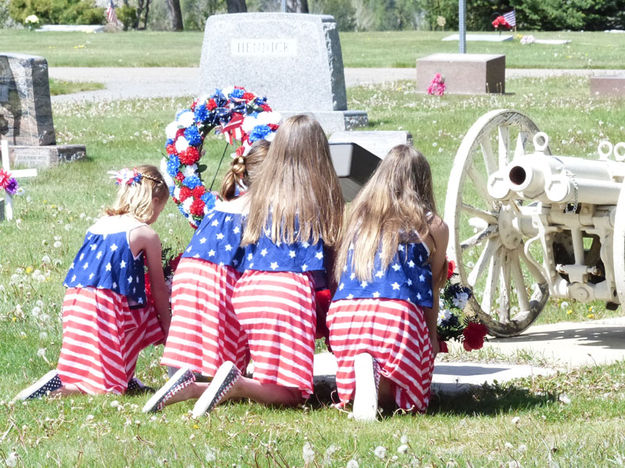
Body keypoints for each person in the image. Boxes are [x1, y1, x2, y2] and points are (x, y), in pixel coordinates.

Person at [189, 114, 344, 418]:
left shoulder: (258, 194)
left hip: (248, 289)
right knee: (293, 394)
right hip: (289, 293)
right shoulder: (322, 193)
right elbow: (332, 258)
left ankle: (197, 387)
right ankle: (239, 384)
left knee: (270, 373)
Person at [13, 165, 171, 401]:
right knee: (106, 389)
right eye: (161, 208)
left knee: (136, 320)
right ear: (155, 200)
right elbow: (158, 288)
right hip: (105, 305)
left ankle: (123, 376)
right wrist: (169, 328)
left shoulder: (99, 224)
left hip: (77, 298)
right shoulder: (145, 234)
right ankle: (59, 389)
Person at [142, 140, 270, 413]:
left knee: (191, 330)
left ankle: (182, 373)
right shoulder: (261, 213)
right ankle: (213, 380)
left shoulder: (221, 206)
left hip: (189, 271)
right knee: (230, 371)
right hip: (223, 276)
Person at [327, 144, 448, 421]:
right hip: (396, 317)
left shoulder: (355, 217)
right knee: (411, 400)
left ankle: (365, 379)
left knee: (376, 369)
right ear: (423, 183)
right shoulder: (433, 226)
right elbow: (431, 288)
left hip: (346, 316)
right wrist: (431, 338)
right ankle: (381, 387)